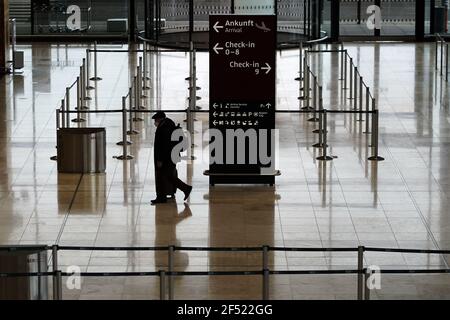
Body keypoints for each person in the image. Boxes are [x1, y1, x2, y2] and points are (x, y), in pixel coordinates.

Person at [151, 111, 192, 205]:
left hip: (168, 157)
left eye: (156, 120)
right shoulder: (167, 124)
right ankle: (164, 196)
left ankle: (185, 189)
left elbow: (165, 146)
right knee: (167, 175)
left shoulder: (165, 128)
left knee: (165, 175)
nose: (155, 122)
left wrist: (160, 160)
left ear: (159, 119)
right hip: (171, 156)